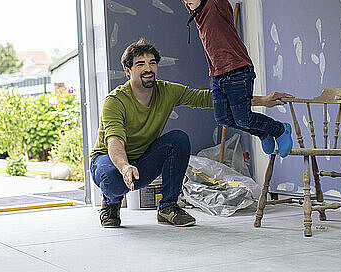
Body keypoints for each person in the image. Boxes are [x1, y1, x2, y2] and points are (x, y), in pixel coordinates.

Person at [90, 38, 292, 228]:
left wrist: (262, 100)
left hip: (142, 158)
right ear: (128, 70)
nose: (148, 68)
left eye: (152, 63)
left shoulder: (167, 91)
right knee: (111, 180)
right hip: (108, 159)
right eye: (140, 64)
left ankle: (168, 207)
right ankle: (111, 202)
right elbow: (115, 140)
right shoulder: (115, 100)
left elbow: (209, 99)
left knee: (178, 139)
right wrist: (125, 167)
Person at [174, 0, 293, 159]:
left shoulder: (217, 4)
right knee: (225, 119)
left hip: (237, 71)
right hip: (218, 76)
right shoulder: (197, 14)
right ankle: (264, 132)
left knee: (243, 117)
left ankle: (279, 129)